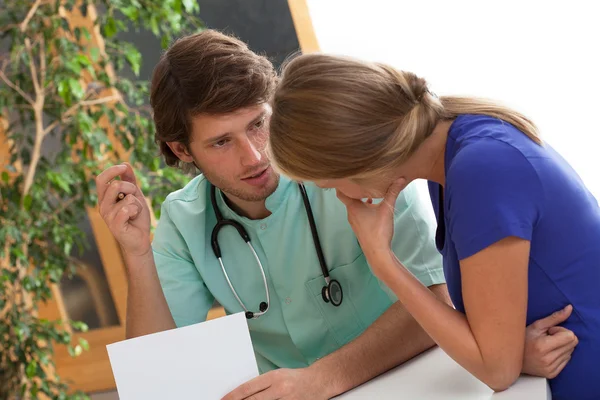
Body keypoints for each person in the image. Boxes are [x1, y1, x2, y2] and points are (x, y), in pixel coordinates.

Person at [96, 31, 578, 399]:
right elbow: (159, 378)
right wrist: (137, 255)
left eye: (259, 124)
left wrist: (320, 379)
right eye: (222, 142)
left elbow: (439, 296)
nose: (254, 156)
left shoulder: (353, 165)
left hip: (415, 380)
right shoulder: (185, 220)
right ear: (183, 150)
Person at [266, 52, 600, 400]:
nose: (338, 196)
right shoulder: (452, 150)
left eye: (329, 184)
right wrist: (511, 353)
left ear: (357, 159)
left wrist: (382, 261)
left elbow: (496, 369)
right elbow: (493, 338)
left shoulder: (481, 170)